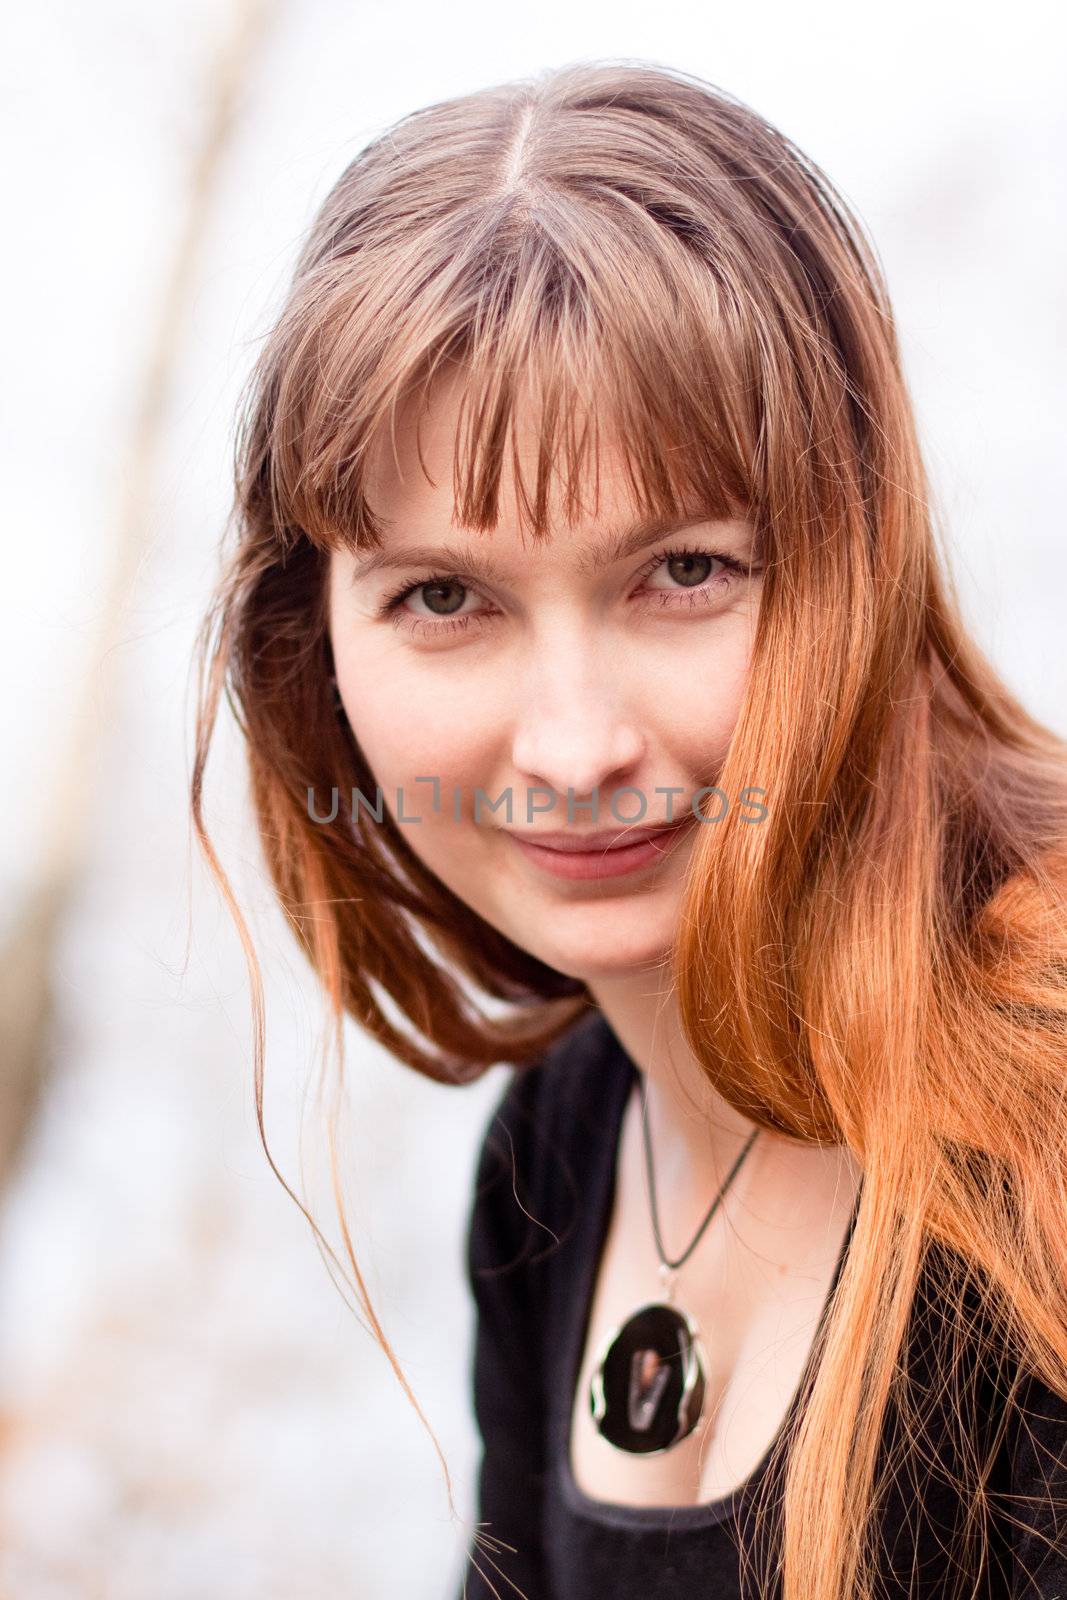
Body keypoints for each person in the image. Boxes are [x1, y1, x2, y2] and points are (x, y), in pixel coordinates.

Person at [190, 59, 1067, 1600]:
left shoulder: (1041, 1125)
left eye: (683, 572)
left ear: (852, 560)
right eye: (444, 597)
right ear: (313, 646)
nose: (577, 746)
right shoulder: (561, 1150)